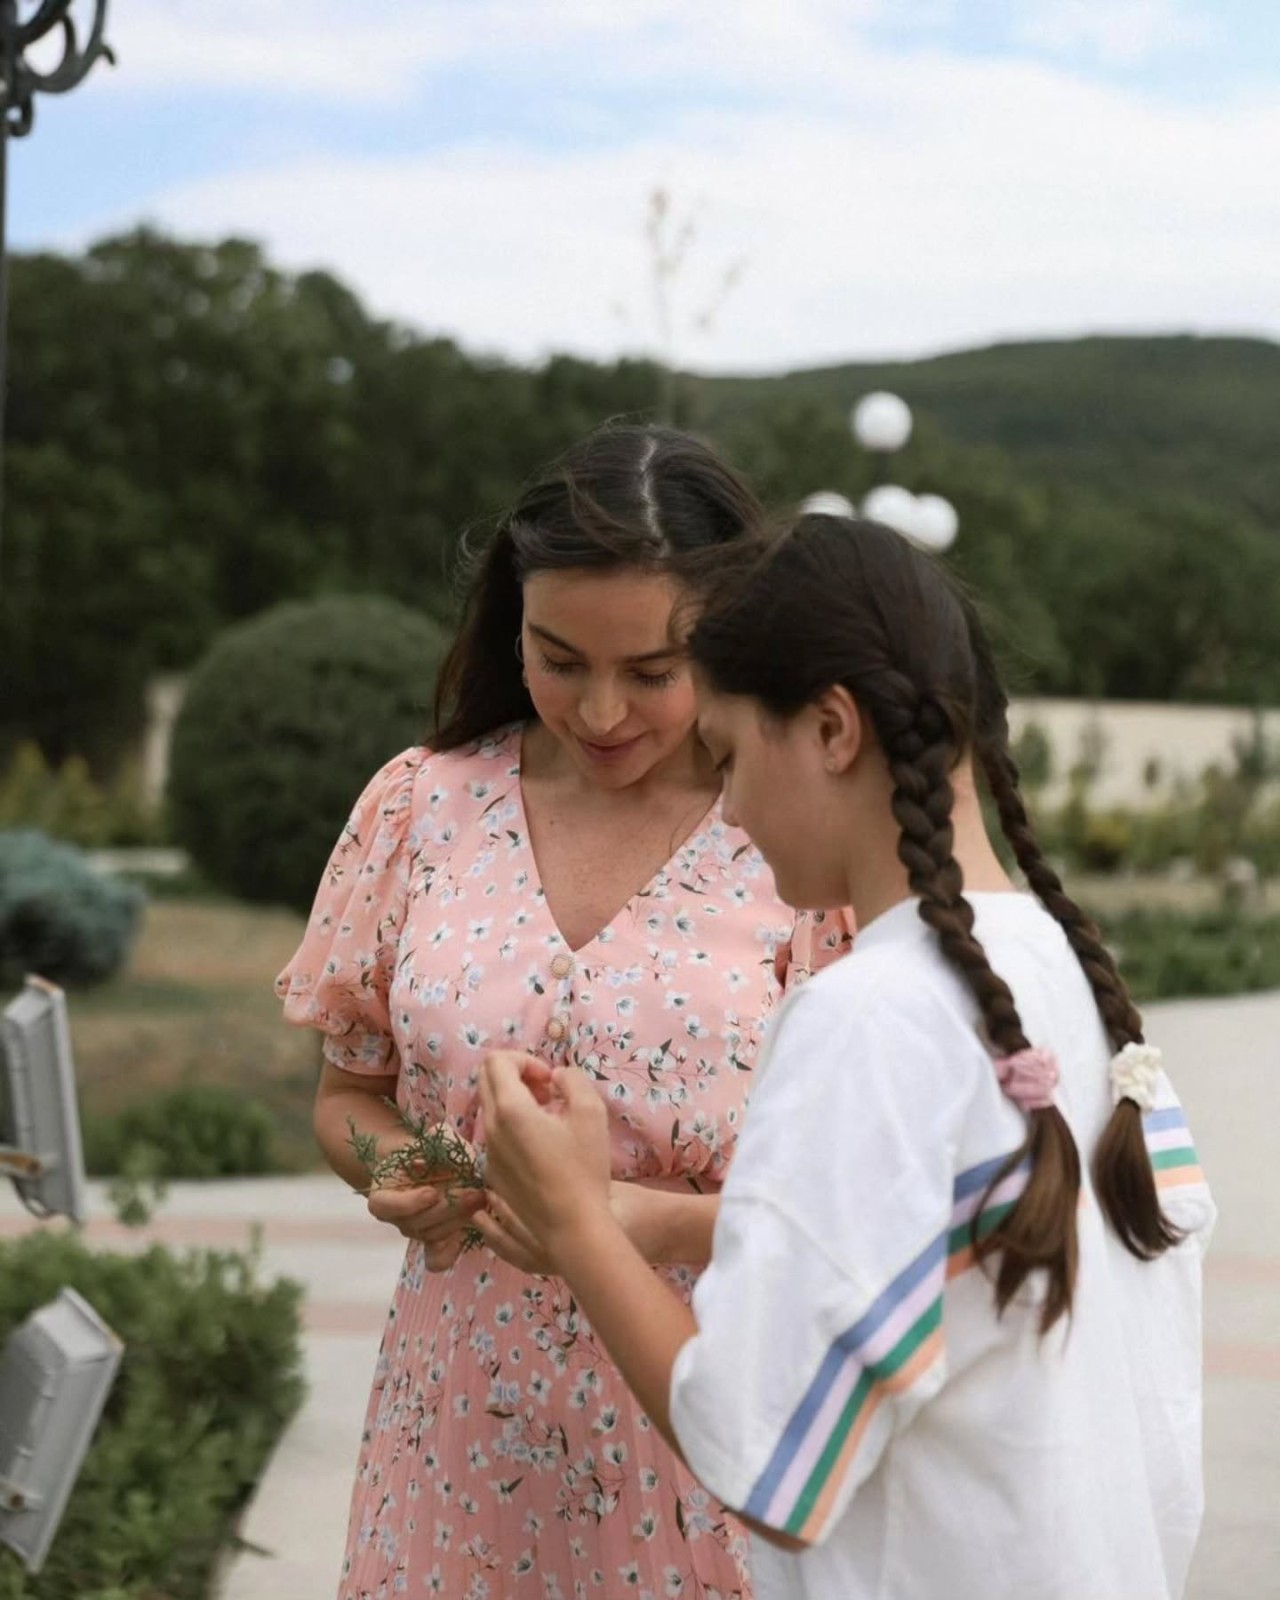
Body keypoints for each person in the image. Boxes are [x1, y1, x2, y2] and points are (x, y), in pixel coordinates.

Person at [479, 513, 1215, 1600]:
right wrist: (650, 1215)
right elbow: (961, 1255)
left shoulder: (869, 1014)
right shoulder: (1058, 970)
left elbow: (761, 1455)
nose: (725, 807)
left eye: (726, 754)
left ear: (830, 728)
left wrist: (578, 1226)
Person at [276, 427, 851, 1600]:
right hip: (451, 1431)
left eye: (651, 671)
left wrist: (639, 1223)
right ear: (509, 631)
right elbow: (349, 1093)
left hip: (699, 1417)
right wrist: (403, 1164)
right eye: (557, 658)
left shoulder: (793, 844)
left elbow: (859, 1198)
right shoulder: (418, 806)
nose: (599, 711)